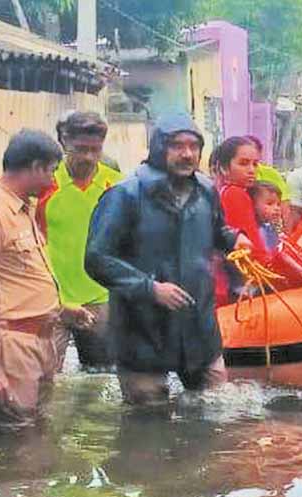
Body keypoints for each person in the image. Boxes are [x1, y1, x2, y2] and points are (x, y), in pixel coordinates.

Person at [84, 113, 252, 405]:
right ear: (159, 148)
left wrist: (232, 238)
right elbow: (97, 258)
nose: (187, 154)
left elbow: (215, 229)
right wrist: (149, 288)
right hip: (143, 329)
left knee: (215, 411)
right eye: (177, 146)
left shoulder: (206, 191)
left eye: (193, 146)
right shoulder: (125, 195)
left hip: (198, 325)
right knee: (147, 425)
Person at [0, 130, 93, 433]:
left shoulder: (20, 209)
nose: (53, 181)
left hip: (36, 342)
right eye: (50, 171)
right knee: (16, 442)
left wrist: (61, 309)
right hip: (9, 347)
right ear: (35, 167)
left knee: (32, 433)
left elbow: (16, 280)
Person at [37, 111, 123, 371]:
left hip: (101, 299)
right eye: (80, 149)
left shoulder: (116, 185)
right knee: (44, 377)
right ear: (64, 142)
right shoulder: (44, 185)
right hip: (53, 300)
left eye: (95, 150)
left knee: (100, 377)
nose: (88, 157)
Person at [249, 182, 282, 256]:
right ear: (254, 205)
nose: (276, 208)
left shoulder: (270, 227)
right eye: (269, 204)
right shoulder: (257, 230)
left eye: (278, 204)